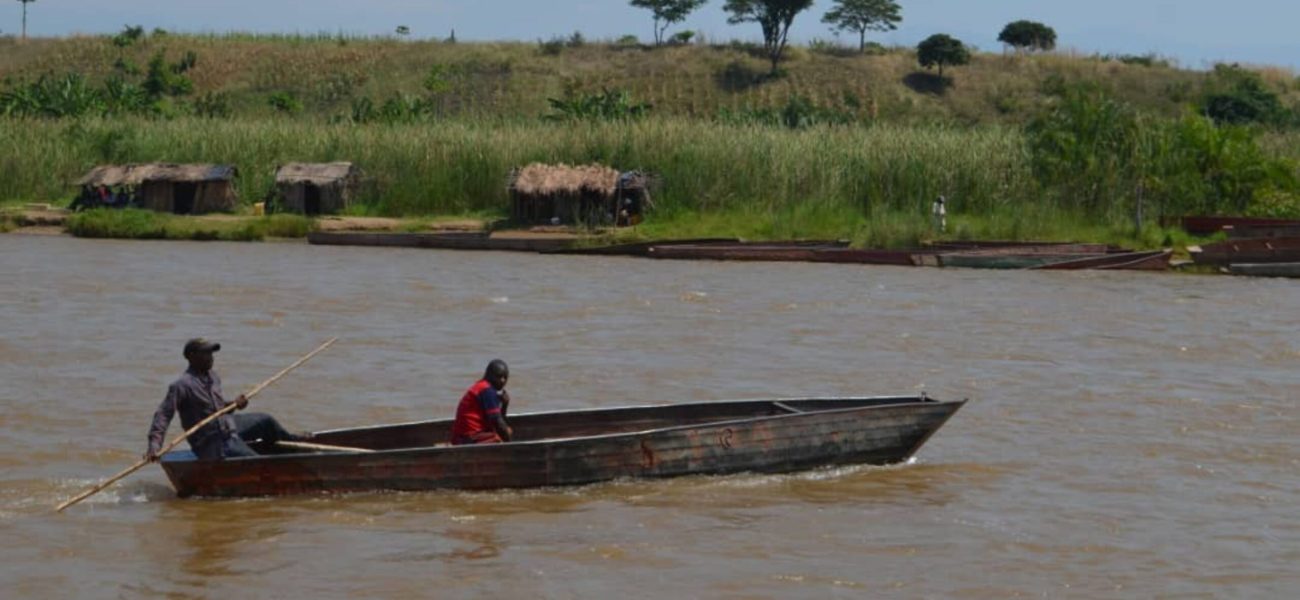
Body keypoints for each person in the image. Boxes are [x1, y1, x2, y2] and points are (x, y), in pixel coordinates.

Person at [144, 338, 309, 462]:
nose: (211, 357)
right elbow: (163, 416)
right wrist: (154, 448)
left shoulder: (212, 377)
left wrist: (235, 405)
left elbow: (218, 409)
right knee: (257, 462)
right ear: (191, 356)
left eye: (211, 353)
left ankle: (291, 443)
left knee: (266, 421)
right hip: (213, 441)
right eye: (206, 353)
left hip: (228, 425)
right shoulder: (181, 385)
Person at [450, 359, 513, 445]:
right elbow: (498, 424)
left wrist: (504, 405)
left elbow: (498, 422)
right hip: (467, 438)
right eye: (499, 376)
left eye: (505, 377)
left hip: (465, 437)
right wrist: (510, 446)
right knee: (501, 436)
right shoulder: (487, 390)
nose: (502, 380)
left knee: (505, 431)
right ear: (489, 375)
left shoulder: (483, 387)